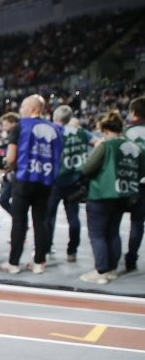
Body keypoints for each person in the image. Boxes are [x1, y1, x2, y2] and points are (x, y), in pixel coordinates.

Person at [78, 111, 145, 284]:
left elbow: (87, 168)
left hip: (101, 194)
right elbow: (141, 171)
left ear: (105, 129)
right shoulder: (134, 147)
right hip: (123, 195)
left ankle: (101, 271)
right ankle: (113, 269)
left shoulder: (106, 145)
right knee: (113, 232)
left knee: (97, 234)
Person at [0, 95, 63, 275]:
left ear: (33, 109)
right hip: (45, 180)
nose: (21, 110)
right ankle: (39, 262)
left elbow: (11, 157)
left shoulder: (20, 126)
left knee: (19, 221)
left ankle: (13, 263)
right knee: (40, 221)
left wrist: (12, 168)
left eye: (23, 106)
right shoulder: (56, 129)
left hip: (24, 178)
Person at [46, 107, 89, 262]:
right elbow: (98, 143)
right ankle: (72, 252)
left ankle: (47, 248)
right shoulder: (81, 133)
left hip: (55, 181)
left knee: (49, 217)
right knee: (73, 218)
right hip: (74, 181)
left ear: (55, 116)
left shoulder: (53, 131)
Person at [122, 95, 145, 273]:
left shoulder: (127, 132)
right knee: (138, 223)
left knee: (135, 222)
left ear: (134, 113)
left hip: (133, 183)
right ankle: (131, 258)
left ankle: (129, 260)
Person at [0, 112, 19, 216]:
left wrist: (8, 168)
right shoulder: (8, 136)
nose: (3, 127)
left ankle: (20, 222)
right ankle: (19, 221)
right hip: (9, 173)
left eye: (5, 124)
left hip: (16, 173)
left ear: (13, 123)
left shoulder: (19, 136)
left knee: (12, 200)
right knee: (4, 200)